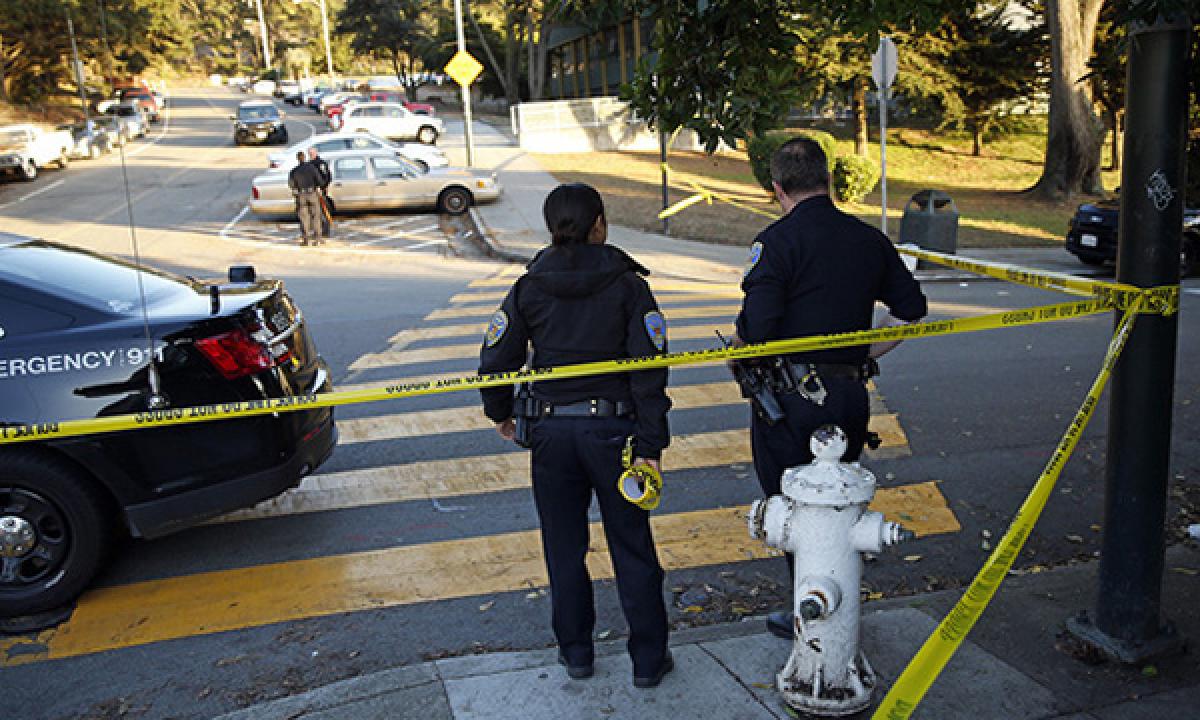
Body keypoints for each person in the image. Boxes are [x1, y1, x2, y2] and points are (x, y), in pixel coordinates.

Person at [478, 183, 674, 688]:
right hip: (616, 434)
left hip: (551, 436)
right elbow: (649, 372)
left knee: (564, 548)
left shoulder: (528, 286)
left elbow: (496, 360)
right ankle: (649, 661)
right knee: (632, 546)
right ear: (600, 223)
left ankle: (577, 653)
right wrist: (651, 447)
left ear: (551, 226)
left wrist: (501, 413)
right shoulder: (629, 285)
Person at [733, 137, 927, 639]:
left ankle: (812, 615)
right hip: (848, 396)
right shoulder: (867, 239)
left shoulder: (776, 242)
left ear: (777, 188)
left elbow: (755, 330)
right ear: (830, 181)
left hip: (787, 402)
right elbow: (910, 310)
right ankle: (835, 605)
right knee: (839, 505)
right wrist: (863, 355)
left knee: (793, 511)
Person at [288, 150, 323, 246]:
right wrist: (318, 187)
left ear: (297, 159)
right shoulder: (311, 168)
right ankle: (317, 238)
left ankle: (306, 239)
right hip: (312, 193)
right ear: (305, 157)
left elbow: (291, 185)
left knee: (304, 218)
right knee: (316, 216)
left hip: (301, 195)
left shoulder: (294, 171)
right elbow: (320, 180)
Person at [307, 146, 333, 238]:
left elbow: (327, 177)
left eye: (312, 153)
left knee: (323, 213)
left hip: (321, 192)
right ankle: (317, 231)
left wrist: (322, 188)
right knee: (314, 213)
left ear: (316, 153)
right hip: (312, 192)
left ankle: (325, 232)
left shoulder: (321, 164)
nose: (311, 155)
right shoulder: (309, 164)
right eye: (310, 153)